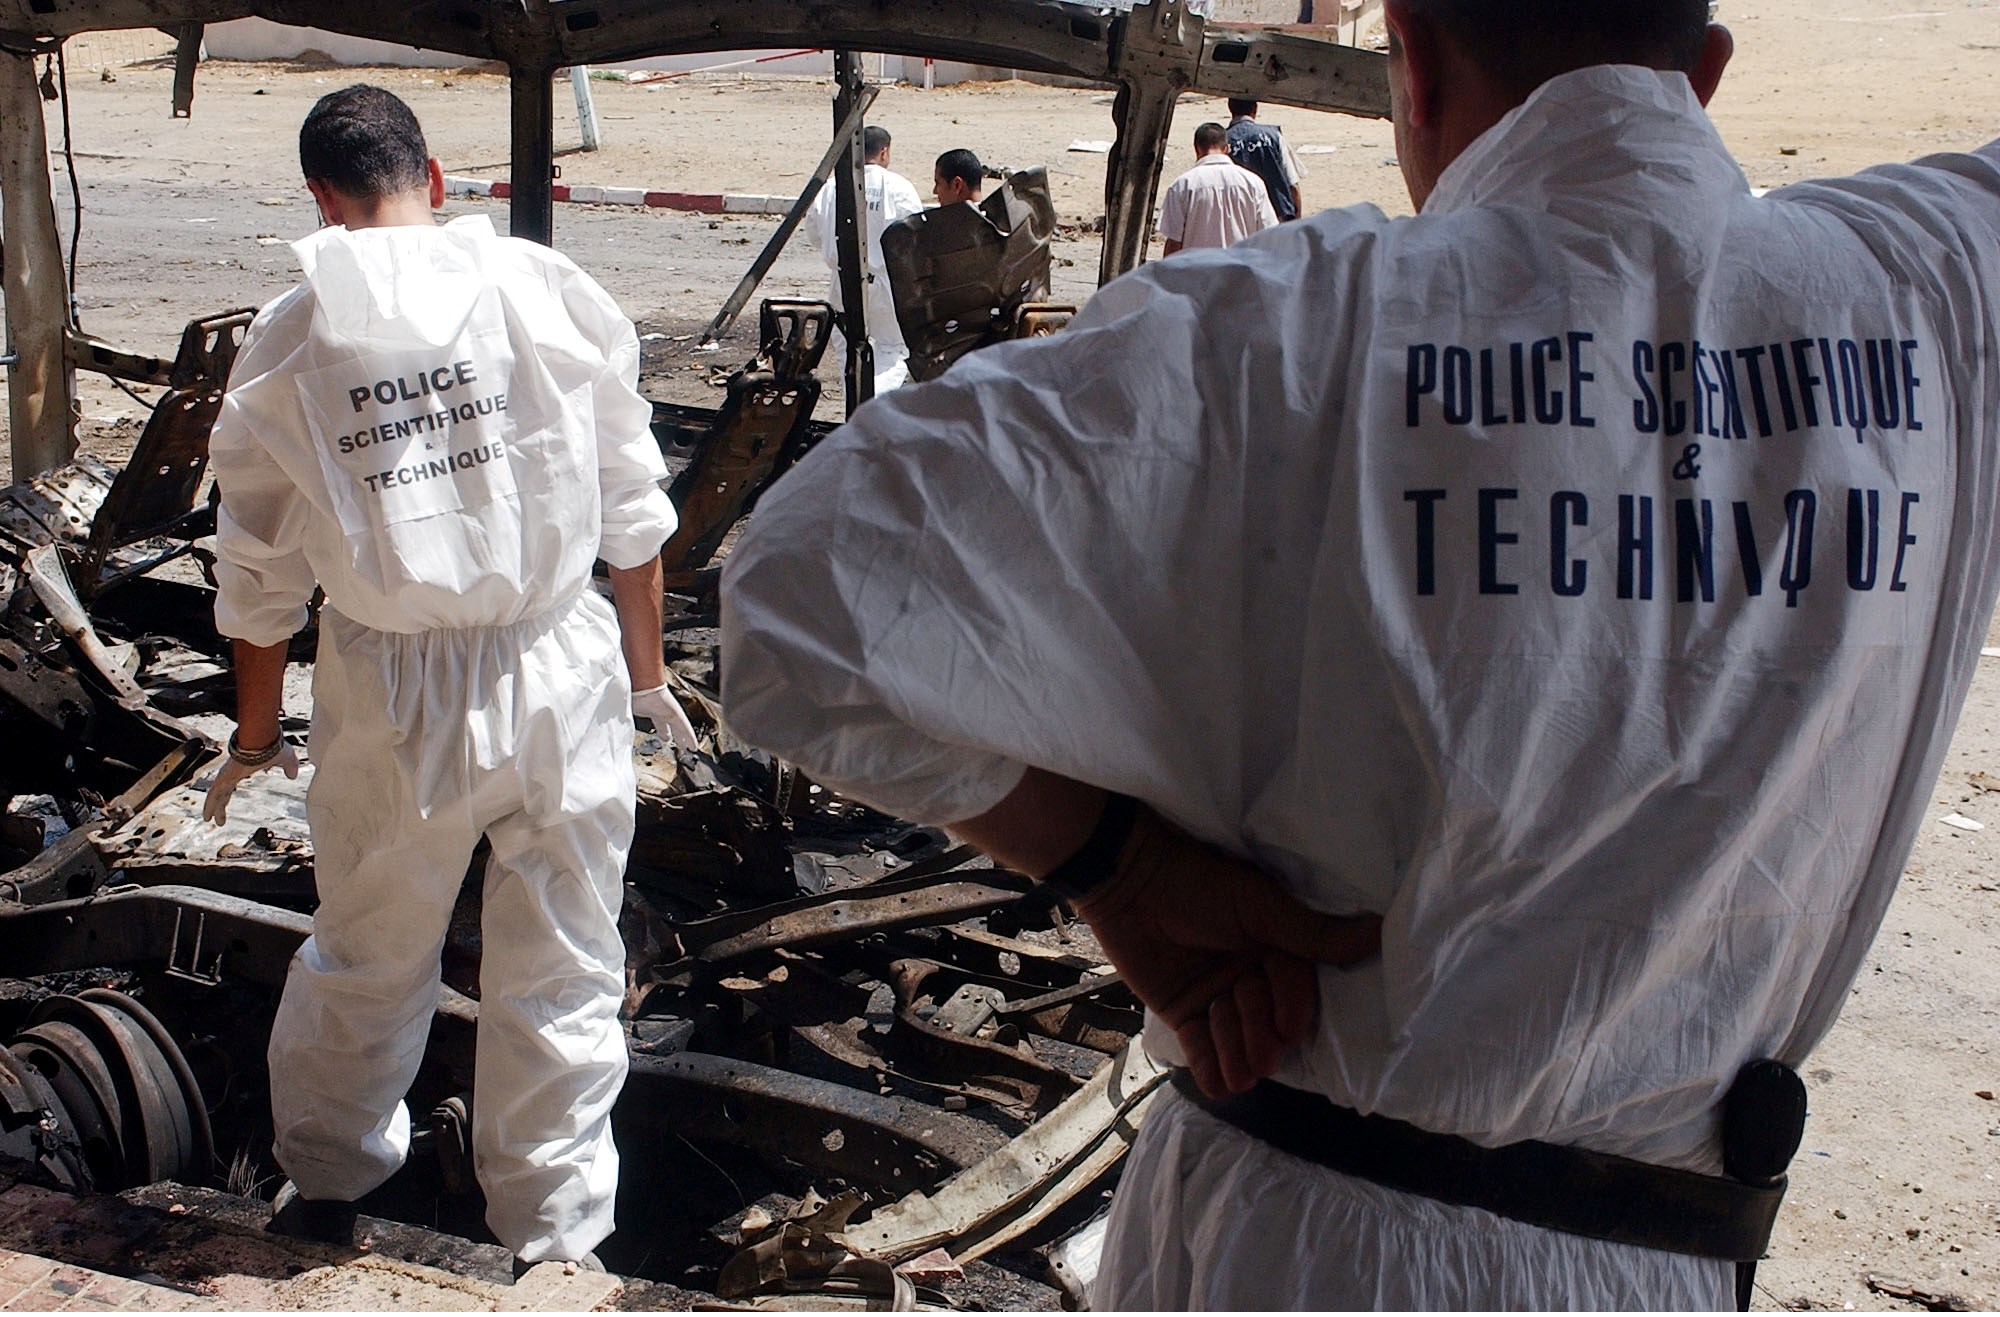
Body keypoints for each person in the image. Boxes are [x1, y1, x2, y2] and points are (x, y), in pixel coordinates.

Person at [717, 0, 2000, 1308]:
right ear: (1707, 72)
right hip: (1656, 1264)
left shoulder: (1287, 324)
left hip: (1306, 1247)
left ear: (1414, 61)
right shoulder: (1933, 287)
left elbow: (801, 589)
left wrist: (1115, 861)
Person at [200, 85, 695, 1277]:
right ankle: (558, 1245)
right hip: (559, 663)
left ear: (318, 197)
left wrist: (256, 738)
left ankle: (323, 1193)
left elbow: (258, 580)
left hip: (390, 691)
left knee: (369, 955)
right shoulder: (546, 290)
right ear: (436, 169)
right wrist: (643, 680)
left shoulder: (292, 332)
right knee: (566, 965)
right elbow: (635, 519)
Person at [803, 124, 924, 392]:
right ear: (884, 152)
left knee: (849, 354)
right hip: (885, 286)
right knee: (892, 352)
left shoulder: (832, 187)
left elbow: (814, 232)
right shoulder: (899, 187)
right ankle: (874, 412)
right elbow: (915, 240)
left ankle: (858, 410)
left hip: (842, 284)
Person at [1157, 121, 1278, 255]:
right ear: (1227, 148)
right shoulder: (1253, 183)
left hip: (1197, 272)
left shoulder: (1182, 185)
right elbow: (1268, 235)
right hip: (1241, 271)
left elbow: (1174, 242)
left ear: (1196, 149)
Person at [1225, 97, 1306, 221]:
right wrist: (1297, 219)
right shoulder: (1273, 136)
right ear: (1255, 109)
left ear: (1230, 109)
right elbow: (1292, 184)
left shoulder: (1221, 140)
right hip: (1276, 215)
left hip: (1238, 217)